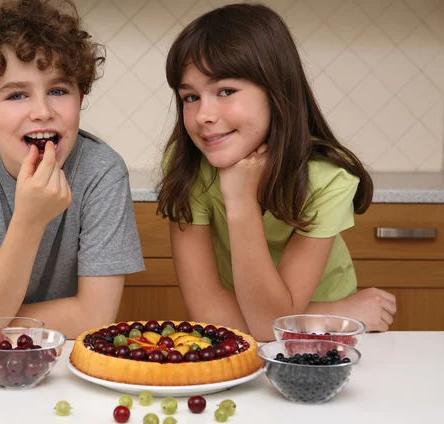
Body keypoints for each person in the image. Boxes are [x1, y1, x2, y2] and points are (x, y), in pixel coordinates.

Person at [157, 3, 396, 341]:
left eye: (225, 91)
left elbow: (268, 324)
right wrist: (334, 313)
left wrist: (240, 200)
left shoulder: (327, 176)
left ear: (276, 91)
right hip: (238, 335)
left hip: (325, 341)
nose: (202, 116)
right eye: (190, 97)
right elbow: (208, 312)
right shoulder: (186, 165)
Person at [0, 0, 145, 338]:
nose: (42, 111)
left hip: (70, 358)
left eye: (58, 90)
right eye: (16, 96)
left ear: (80, 97)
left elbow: (95, 317)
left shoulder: (102, 172)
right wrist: (29, 220)